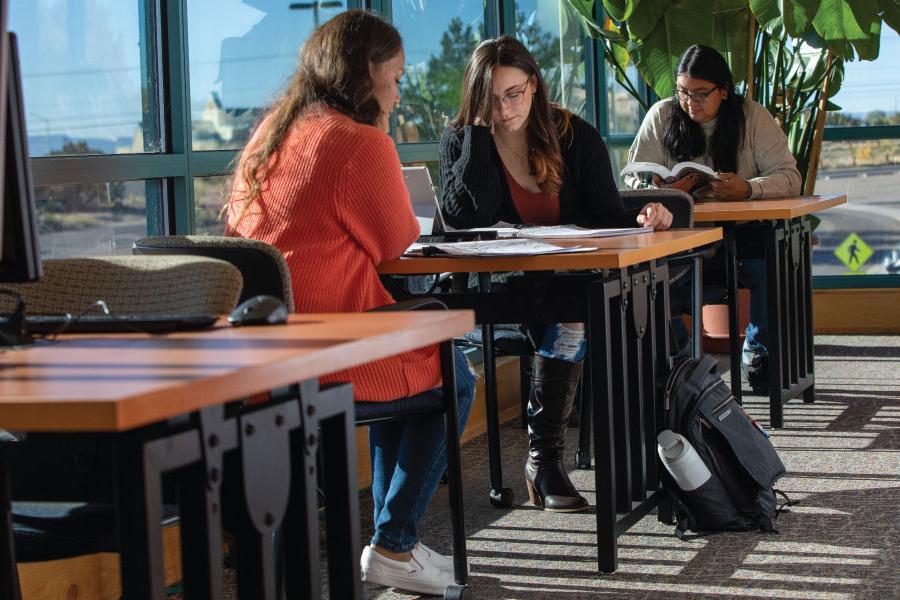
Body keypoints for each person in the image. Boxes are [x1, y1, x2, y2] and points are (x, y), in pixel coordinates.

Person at [224, 10, 475, 596]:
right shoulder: (360, 142)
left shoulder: (272, 134)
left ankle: (395, 547)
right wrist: (381, 129)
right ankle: (393, 544)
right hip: (331, 347)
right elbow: (394, 243)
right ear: (367, 73)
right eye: (395, 77)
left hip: (265, 352)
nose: (397, 90)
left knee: (413, 354)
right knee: (454, 375)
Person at [438, 36, 672, 513]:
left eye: (514, 94)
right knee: (579, 312)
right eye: (491, 99)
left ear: (534, 85)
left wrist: (649, 216)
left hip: (566, 283)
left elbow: (606, 215)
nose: (505, 110)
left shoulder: (574, 135)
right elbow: (467, 219)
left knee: (594, 310)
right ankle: (544, 462)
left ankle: (562, 458)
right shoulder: (463, 140)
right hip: (501, 288)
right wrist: (480, 138)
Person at [624, 44, 801, 392]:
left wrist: (748, 189)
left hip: (742, 234)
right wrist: (654, 186)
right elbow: (631, 174)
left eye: (701, 94)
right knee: (645, 277)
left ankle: (758, 350)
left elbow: (790, 176)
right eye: (683, 92)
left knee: (771, 260)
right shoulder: (662, 115)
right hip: (678, 236)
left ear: (723, 90)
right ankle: (684, 358)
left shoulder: (752, 116)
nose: (691, 102)